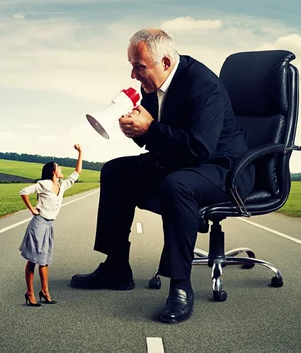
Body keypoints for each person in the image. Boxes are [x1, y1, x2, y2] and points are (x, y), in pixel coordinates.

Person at [70, 28, 254, 324]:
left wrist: (150, 129)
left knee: (177, 185)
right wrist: (137, 132)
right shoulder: (152, 85)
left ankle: (180, 286)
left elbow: (199, 147)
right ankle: (116, 267)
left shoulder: (202, 85)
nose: (133, 75)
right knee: (116, 172)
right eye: (131, 65)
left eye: (138, 66)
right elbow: (158, 138)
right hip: (183, 162)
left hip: (225, 169)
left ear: (165, 62)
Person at [19, 144, 83, 306]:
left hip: (49, 225)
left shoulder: (61, 187)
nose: (61, 169)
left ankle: (45, 291)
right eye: (58, 167)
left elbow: (77, 173)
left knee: (45, 260)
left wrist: (80, 152)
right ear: (53, 171)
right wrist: (32, 209)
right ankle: (30, 292)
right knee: (33, 260)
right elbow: (24, 191)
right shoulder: (44, 184)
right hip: (39, 224)